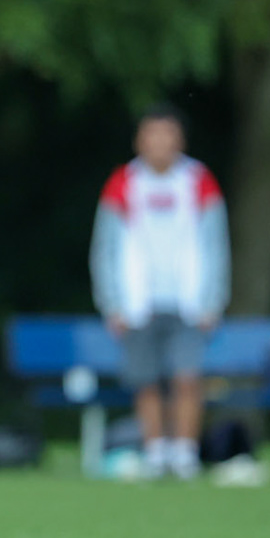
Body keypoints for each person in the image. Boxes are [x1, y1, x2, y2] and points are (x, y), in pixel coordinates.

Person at [89, 106, 230, 481]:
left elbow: (216, 243)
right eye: (152, 135)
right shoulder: (123, 183)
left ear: (179, 140)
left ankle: (184, 453)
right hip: (137, 301)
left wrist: (213, 299)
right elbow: (104, 246)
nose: (160, 143)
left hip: (189, 300)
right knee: (146, 381)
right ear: (140, 140)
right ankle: (155, 451)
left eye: (167, 135)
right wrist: (111, 302)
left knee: (188, 377)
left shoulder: (199, 181)